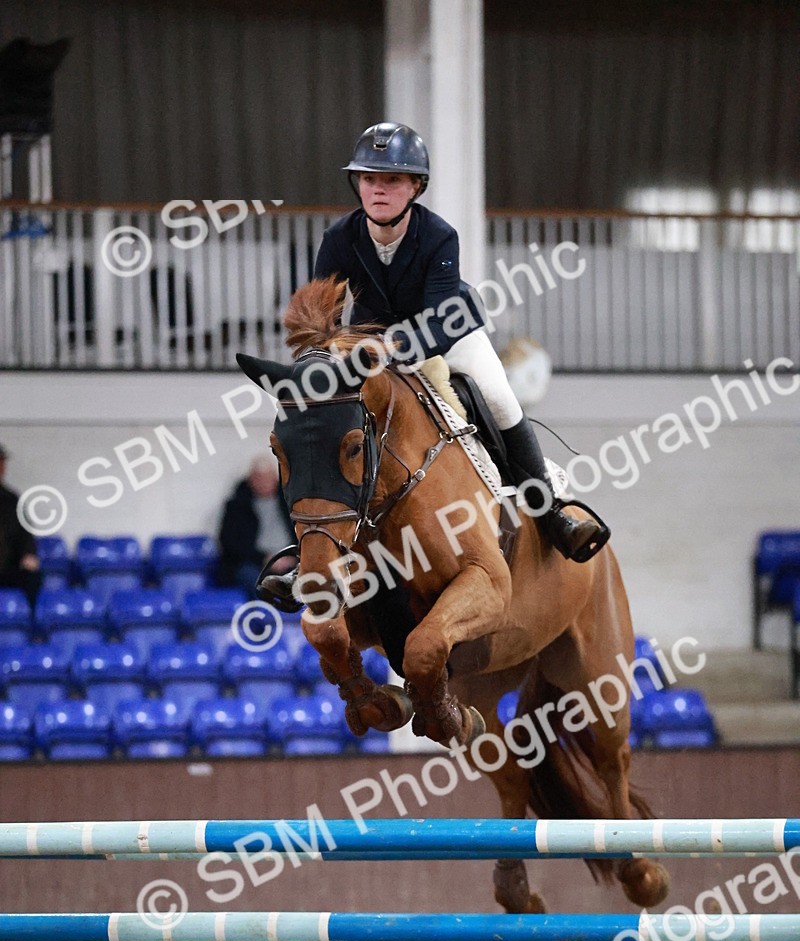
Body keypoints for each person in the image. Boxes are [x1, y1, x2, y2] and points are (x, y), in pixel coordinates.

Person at [260, 123, 608, 609]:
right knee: (320, 425)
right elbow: (321, 310)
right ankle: (310, 556)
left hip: (447, 335)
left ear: (415, 187)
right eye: (368, 179)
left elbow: (441, 319)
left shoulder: (439, 235)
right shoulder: (338, 238)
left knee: (501, 398)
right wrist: (322, 353)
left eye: (393, 180)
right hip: (370, 345)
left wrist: (391, 346)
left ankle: (552, 512)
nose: (378, 189)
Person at [216, 455, 295, 596]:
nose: (264, 483)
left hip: (290, 559)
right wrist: (264, 559)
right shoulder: (236, 506)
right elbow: (230, 543)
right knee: (253, 579)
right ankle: (265, 617)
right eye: (259, 478)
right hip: (254, 563)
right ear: (250, 480)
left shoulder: (290, 503)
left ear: (276, 479)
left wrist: (293, 557)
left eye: (268, 478)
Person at [0, 444, 42, 608]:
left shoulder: (12, 499)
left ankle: (28, 625)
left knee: (32, 576)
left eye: (2, 463)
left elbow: (25, 534)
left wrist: (28, 554)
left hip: (6, 567)